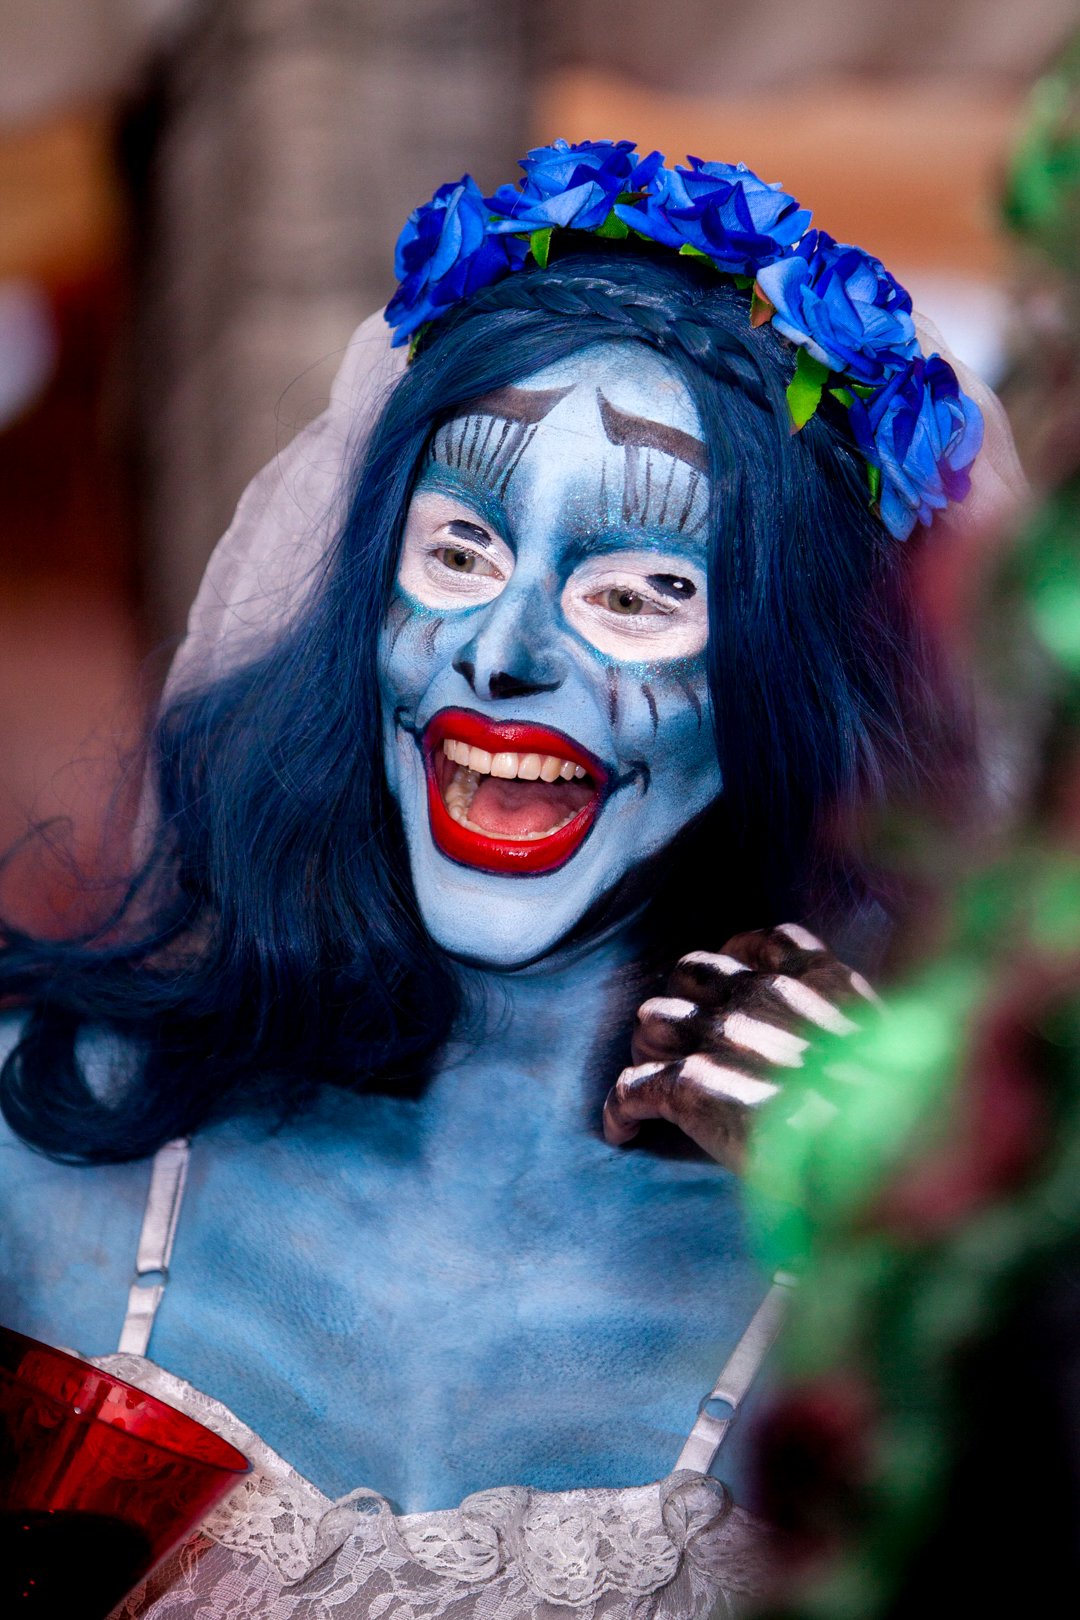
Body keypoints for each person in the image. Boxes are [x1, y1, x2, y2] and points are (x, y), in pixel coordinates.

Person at [0, 143, 1003, 1617]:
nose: (509, 651)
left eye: (641, 591)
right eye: (461, 549)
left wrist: (923, 1247)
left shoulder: (887, 1299)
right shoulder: (41, 1137)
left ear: (780, 686)